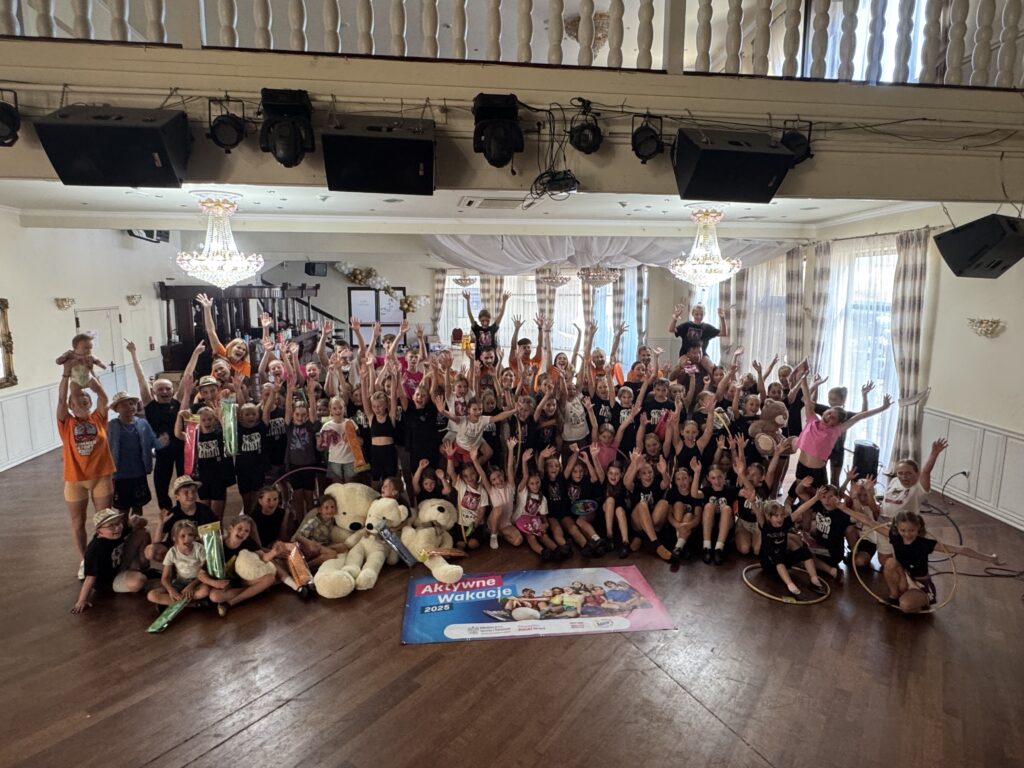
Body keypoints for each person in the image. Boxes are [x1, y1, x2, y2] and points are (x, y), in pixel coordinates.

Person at [56, 363, 116, 577]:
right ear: (70, 407)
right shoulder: (66, 422)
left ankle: (104, 558)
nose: (81, 405)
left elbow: (103, 396)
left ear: (90, 403)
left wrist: (89, 375)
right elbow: (61, 398)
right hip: (75, 480)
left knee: (105, 521)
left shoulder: (98, 417)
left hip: (101, 477)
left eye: (85, 401)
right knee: (78, 522)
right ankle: (86, 561)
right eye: (76, 403)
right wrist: (66, 375)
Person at [880, 509, 1001, 613]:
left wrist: (990, 558)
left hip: (920, 584)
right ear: (897, 528)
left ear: (918, 527)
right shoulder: (895, 537)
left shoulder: (925, 544)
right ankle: (894, 596)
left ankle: (922, 599)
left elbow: (961, 550)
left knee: (905, 606)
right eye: (903, 530)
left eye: (911, 530)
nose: (907, 534)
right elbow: (871, 523)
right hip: (905, 577)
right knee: (890, 562)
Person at [791, 374, 892, 495]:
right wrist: (803, 379)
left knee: (824, 492)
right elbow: (807, 399)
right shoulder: (812, 419)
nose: (829, 416)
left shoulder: (835, 431)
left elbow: (860, 416)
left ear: (838, 423)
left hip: (826, 461)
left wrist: (882, 407)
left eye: (833, 417)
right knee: (801, 493)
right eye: (828, 413)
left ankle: (836, 499)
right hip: (802, 466)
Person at [127, 340, 187, 516]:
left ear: (172, 390)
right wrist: (133, 353)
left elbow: (186, 375)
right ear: (154, 392)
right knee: (161, 486)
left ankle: (183, 510)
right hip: (162, 452)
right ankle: (166, 513)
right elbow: (141, 379)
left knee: (184, 483)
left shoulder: (177, 401)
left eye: (168, 389)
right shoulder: (150, 405)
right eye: (161, 389)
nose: (165, 392)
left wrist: (196, 354)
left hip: (181, 449)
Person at [71, 508, 150, 614]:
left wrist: (135, 520)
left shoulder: (119, 531)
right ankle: (137, 576)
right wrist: (82, 600)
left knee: (142, 533)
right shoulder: (95, 550)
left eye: (118, 523)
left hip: (120, 564)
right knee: (138, 581)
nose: (117, 528)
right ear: (99, 531)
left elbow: (144, 522)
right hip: (108, 580)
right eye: (111, 526)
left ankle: (144, 567)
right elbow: (90, 578)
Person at [147, 519, 228, 607]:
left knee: (205, 591)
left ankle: (174, 602)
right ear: (174, 538)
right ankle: (194, 604)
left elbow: (204, 572)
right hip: (180, 582)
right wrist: (171, 590)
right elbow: (164, 578)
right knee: (152, 595)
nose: (188, 539)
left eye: (190, 535)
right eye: (183, 536)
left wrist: (191, 586)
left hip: (197, 581)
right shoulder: (172, 552)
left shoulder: (199, 549)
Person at [755, 500, 828, 597]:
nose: (780, 518)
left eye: (782, 515)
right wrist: (752, 502)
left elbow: (800, 510)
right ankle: (791, 586)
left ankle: (814, 580)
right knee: (777, 554)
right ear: (769, 517)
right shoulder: (765, 526)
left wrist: (816, 497)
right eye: (776, 516)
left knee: (805, 551)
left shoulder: (785, 523)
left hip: (783, 561)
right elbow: (759, 515)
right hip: (768, 563)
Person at [210, 514, 278, 617]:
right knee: (214, 596)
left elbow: (263, 557)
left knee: (271, 578)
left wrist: (273, 552)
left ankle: (230, 603)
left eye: (247, 531)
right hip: (228, 583)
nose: (242, 533)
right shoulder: (219, 545)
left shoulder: (248, 543)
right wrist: (216, 583)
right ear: (230, 529)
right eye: (239, 528)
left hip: (245, 580)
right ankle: (256, 591)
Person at [107, 391, 158, 518]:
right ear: (116, 409)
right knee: (123, 507)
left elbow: (150, 441)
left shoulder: (142, 423)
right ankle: (124, 528)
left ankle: (136, 528)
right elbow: (106, 446)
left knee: (138, 505)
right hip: (121, 474)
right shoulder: (112, 425)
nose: (129, 407)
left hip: (139, 471)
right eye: (124, 405)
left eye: (131, 403)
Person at [882, 438, 947, 518]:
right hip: (882, 518)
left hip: (903, 523)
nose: (904, 476)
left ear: (917, 474)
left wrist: (934, 454)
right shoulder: (895, 481)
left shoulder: (918, 487)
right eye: (900, 473)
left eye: (908, 473)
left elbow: (926, 472)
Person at [196, 293, 252, 378]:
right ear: (231, 347)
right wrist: (207, 309)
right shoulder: (221, 353)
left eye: (244, 350)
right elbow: (211, 332)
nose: (241, 351)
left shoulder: (245, 365)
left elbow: (241, 383)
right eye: (238, 347)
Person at [464, 289, 510, 361]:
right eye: (483, 321)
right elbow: (470, 315)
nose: (485, 323)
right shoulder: (477, 328)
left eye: (487, 321)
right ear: (479, 320)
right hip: (479, 359)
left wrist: (504, 302)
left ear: (489, 320)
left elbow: (501, 315)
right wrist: (467, 301)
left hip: (492, 359)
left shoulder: (492, 328)